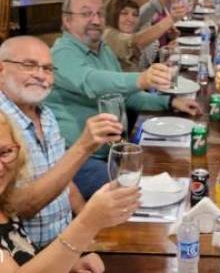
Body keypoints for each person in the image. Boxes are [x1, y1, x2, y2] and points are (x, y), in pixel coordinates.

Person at [44, 0, 202, 199]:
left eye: (99, 14)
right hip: (79, 159)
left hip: (113, 151)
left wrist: (170, 102)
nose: (96, 20)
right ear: (67, 19)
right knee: (134, 194)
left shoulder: (103, 49)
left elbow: (127, 97)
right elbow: (90, 81)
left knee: (177, 171)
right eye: (86, 14)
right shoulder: (62, 53)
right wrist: (141, 79)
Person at [0, 36, 123, 249]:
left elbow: (64, 179)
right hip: (31, 257)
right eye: (28, 65)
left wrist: (92, 231)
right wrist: (83, 147)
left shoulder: (45, 114)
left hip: (67, 240)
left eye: (48, 69)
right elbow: (18, 207)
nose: (40, 75)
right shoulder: (3, 123)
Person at [0, 109, 140, 272]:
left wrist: (69, 265)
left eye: (4, 152)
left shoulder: (4, 201)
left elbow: (22, 261)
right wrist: (87, 223)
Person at [103, 0, 182, 71]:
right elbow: (136, 42)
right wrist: (171, 19)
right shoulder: (108, 34)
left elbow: (136, 70)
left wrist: (166, 51)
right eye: (124, 13)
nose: (130, 19)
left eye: (135, 15)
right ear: (112, 14)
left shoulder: (126, 33)